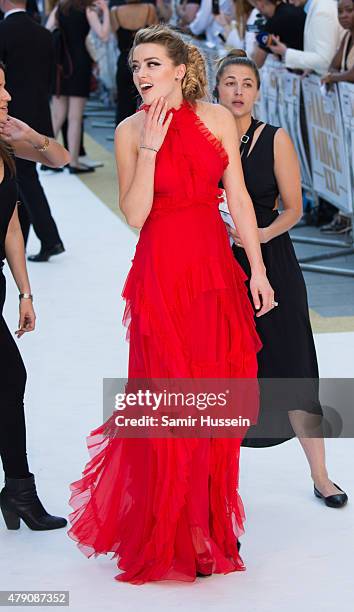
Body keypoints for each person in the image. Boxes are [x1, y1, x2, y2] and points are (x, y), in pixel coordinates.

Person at [68, 24, 276, 584]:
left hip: (213, 271)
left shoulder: (216, 120)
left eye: (152, 64)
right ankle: (175, 526)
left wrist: (256, 269)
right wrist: (153, 148)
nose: (141, 74)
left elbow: (237, 196)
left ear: (180, 70)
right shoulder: (130, 130)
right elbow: (135, 215)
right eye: (136, 66)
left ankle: (209, 518)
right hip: (161, 272)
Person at [214, 49, 348, 509]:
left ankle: (322, 476)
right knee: (222, 373)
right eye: (230, 82)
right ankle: (216, 481)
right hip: (215, 265)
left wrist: (261, 233)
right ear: (216, 88)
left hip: (272, 262)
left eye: (246, 84)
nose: (237, 91)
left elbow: (293, 206)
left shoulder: (275, 139)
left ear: (257, 91)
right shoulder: (203, 138)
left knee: (293, 366)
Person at [0, 64, 71, 531]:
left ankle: (18, 491)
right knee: (10, 378)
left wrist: (26, 291)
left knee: (9, 381)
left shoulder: (6, 145)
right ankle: (20, 490)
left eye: (6, 84)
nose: (7, 96)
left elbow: (61, 160)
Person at [0, 0, 66, 263]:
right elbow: (52, 75)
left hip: (11, 116)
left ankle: (50, 238)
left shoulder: (3, 30)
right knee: (22, 176)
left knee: (23, 177)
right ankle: (26, 239)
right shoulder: (43, 33)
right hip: (39, 112)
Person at [46, 0, 110, 173]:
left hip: (60, 64)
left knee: (57, 115)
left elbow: (47, 30)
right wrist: (105, 10)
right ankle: (73, 162)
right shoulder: (88, 9)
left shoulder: (59, 8)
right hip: (80, 63)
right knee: (75, 117)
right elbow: (103, 34)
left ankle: (46, 159)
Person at [319, 0, 354, 236]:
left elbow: (351, 73)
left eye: (349, 10)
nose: (343, 15)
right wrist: (332, 74)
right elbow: (334, 63)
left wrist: (333, 79)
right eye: (340, 11)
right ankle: (345, 216)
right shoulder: (347, 37)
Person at [110, 0, 157, 124]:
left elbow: (114, 38)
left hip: (124, 62)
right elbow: (156, 38)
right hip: (145, 64)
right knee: (146, 105)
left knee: (122, 106)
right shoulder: (149, 9)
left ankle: (123, 140)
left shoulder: (114, 12)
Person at [268, 0, 343, 76]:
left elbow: (325, 61)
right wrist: (310, 66)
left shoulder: (322, 11)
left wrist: (285, 52)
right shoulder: (318, 7)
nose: (290, 1)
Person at [252, 0, 306, 68]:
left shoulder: (273, 22)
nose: (257, 9)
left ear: (260, 3)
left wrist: (258, 40)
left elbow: (257, 63)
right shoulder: (294, 9)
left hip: (304, 70)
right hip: (310, 65)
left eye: (255, 4)